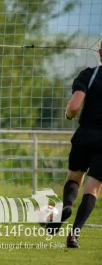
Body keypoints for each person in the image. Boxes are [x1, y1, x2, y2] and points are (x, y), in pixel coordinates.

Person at [46, 42, 102, 249]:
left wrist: (69, 114)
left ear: (99, 52)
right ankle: (73, 235)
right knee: (93, 188)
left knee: (74, 176)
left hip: (85, 133)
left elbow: (75, 106)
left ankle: (67, 205)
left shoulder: (89, 74)